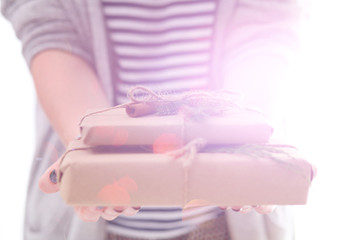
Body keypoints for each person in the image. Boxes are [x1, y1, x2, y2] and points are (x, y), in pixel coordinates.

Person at [1, 0, 302, 239]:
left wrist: (248, 136)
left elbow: (266, 27)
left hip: (228, 227)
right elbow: (46, 25)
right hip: (85, 230)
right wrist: (88, 150)